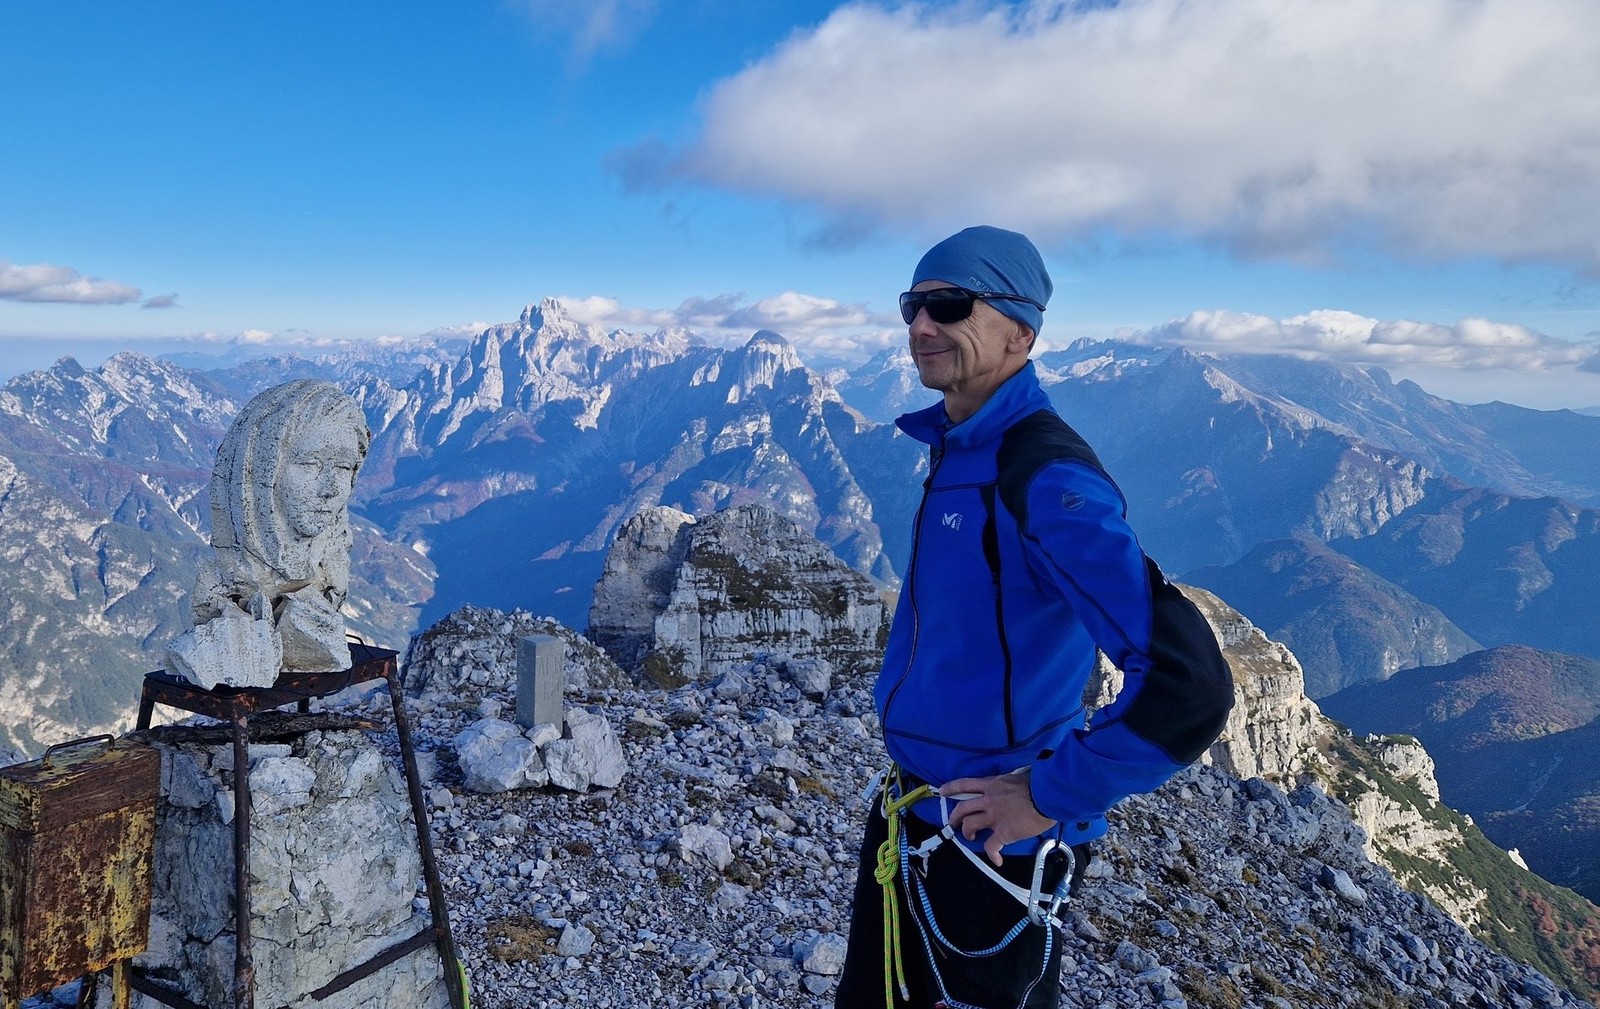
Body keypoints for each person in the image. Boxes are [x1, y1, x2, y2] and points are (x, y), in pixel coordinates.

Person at [836, 226, 1236, 1009]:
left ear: (1020, 332)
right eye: (913, 306)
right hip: (917, 815)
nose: (922, 325)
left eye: (951, 305)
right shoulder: (962, 446)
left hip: (994, 844)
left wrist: (1047, 794)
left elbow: (1190, 684)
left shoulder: (1045, 477)